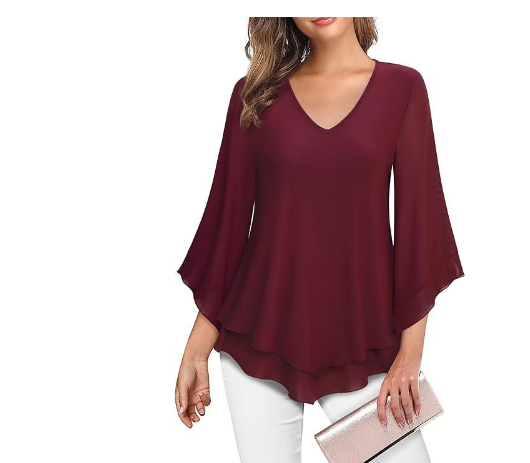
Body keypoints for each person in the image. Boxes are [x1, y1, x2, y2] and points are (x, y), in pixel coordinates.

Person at [175, 17, 464, 462]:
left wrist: (410, 355)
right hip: (258, 342)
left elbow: (418, 225)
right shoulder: (255, 94)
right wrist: (197, 349)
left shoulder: (403, 88)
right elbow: (227, 229)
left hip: (367, 347)